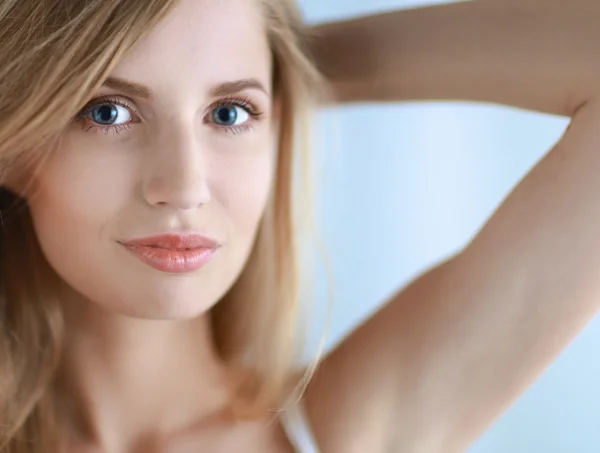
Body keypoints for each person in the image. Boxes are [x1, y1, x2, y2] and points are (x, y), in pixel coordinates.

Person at [0, 0, 598, 452]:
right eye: (109, 112)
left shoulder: (346, 431)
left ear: (276, 130)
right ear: (16, 143)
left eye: (230, 113)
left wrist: (293, 62)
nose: (184, 186)